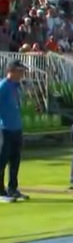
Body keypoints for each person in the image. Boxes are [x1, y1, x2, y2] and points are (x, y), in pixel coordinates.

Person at [0, 60, 27, 203]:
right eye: (20, 71)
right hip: (5, 128)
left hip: (16, 128)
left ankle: (12, 188)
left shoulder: (16, 86)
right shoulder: (3, 86)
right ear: (12, 70)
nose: (22, 74)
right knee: (2, 159)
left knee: (15, 159)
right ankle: (0, 191)